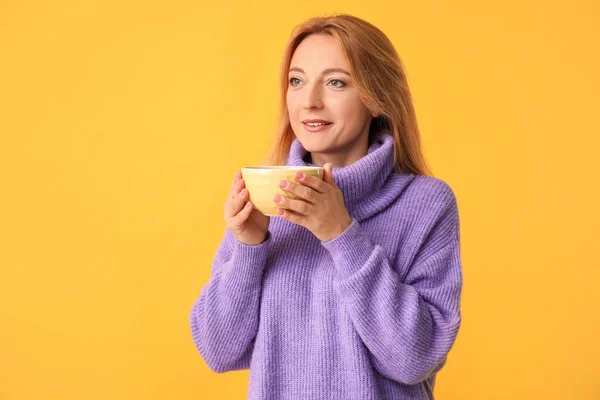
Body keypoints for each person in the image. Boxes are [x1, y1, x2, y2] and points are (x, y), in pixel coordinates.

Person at [189, 13, 462, 400]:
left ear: (377, 99)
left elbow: (415, 359)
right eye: (296, 81)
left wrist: (342, 234)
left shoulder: (426, 204)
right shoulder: (266, 199)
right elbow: (218, 351)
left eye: (335, 82)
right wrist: (249, 248)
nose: (310, 102)